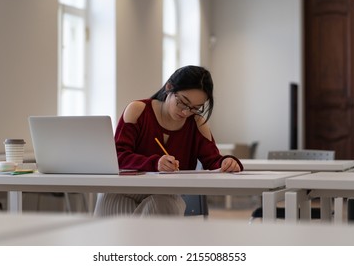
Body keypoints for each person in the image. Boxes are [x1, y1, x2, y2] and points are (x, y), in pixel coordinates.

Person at [94, 65, 243, 217]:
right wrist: (155, 163)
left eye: (195, 108)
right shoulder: (138, 111)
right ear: (169, 88)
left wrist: (228, 162)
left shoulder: (197, 124)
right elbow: (117, 156)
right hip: (124, 189)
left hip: (166, 194)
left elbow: (213, 162)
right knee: (110, 216)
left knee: (163, 205)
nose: (186, 112)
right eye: (183, 102)